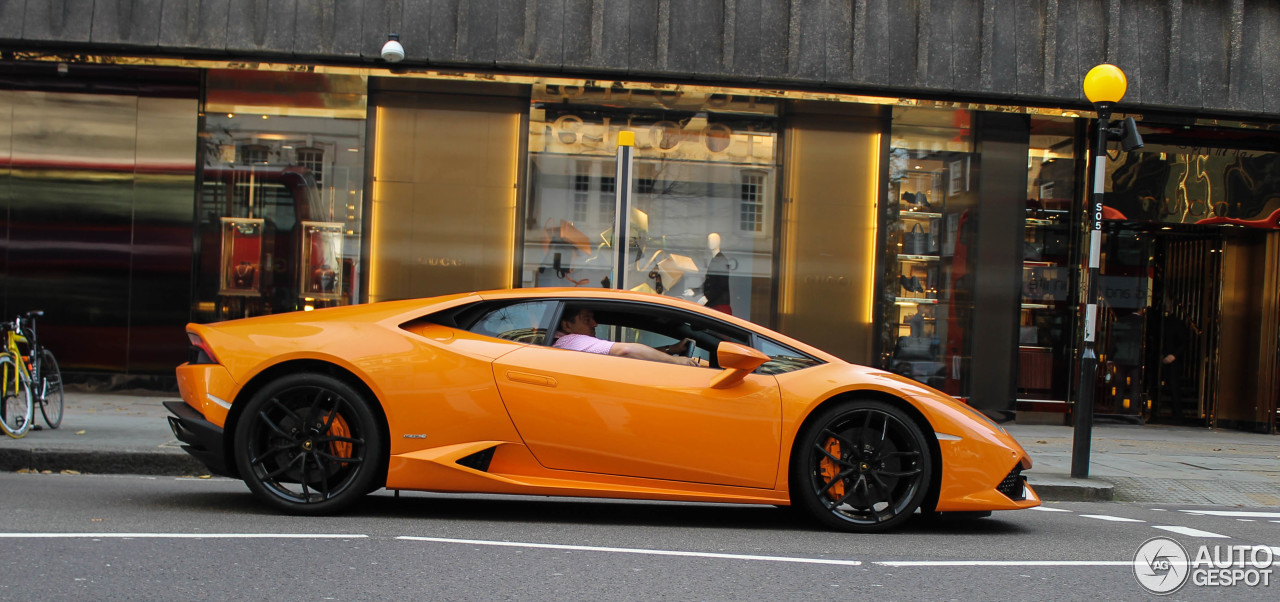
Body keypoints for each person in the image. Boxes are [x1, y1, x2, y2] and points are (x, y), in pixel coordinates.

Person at [553, 307, 702, 367]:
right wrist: (676, 360)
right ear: (567, 326)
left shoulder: (569, 346)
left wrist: (672, 349)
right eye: (587, 319)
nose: (595, 323)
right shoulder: (570, 341)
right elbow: (627, 351)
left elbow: (628, 356)